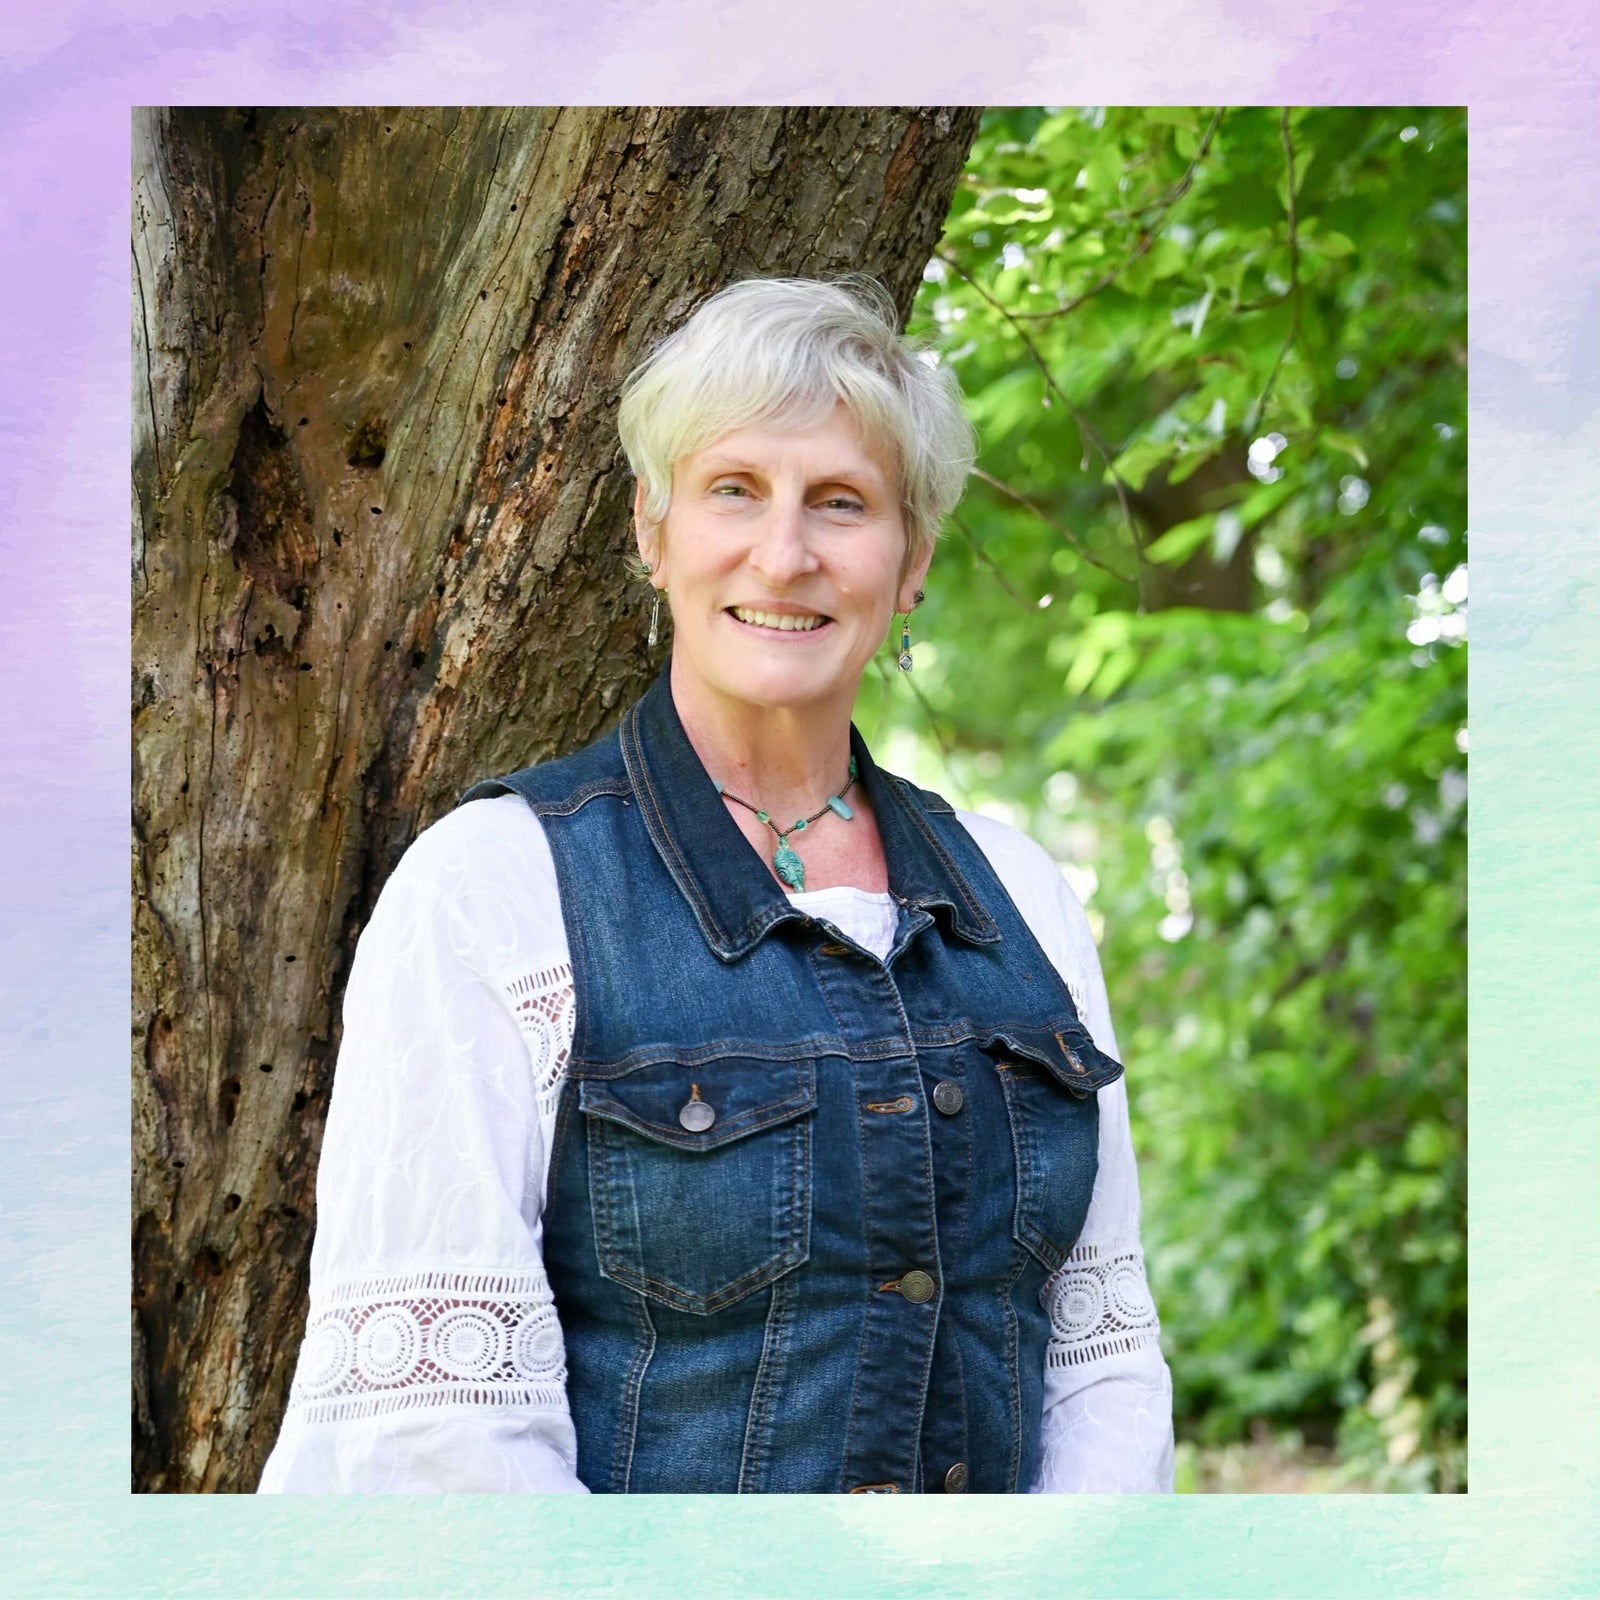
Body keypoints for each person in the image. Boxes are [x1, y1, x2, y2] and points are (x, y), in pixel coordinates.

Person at [258, 276, 1173, 1494]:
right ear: (653, 530)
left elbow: (1102, 1366)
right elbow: (436, 1440)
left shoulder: (1021, 895)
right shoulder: (494, 891)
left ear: (910, 565)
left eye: (841, 503)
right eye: (733, 489)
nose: (783, 553)